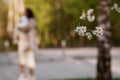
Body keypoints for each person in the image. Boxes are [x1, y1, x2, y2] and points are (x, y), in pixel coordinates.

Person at [13, 8, 37, 80]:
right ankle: (22, 76)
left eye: (25, 12)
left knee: (30, 61)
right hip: (22, 45)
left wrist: (18, 26)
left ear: (29, 13)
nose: (24, 13)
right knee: (21, 61)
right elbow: (18, 33)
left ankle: (31, 76)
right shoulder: (22, 21)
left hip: (30, 45)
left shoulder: (32, 21)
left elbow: (25, 28)